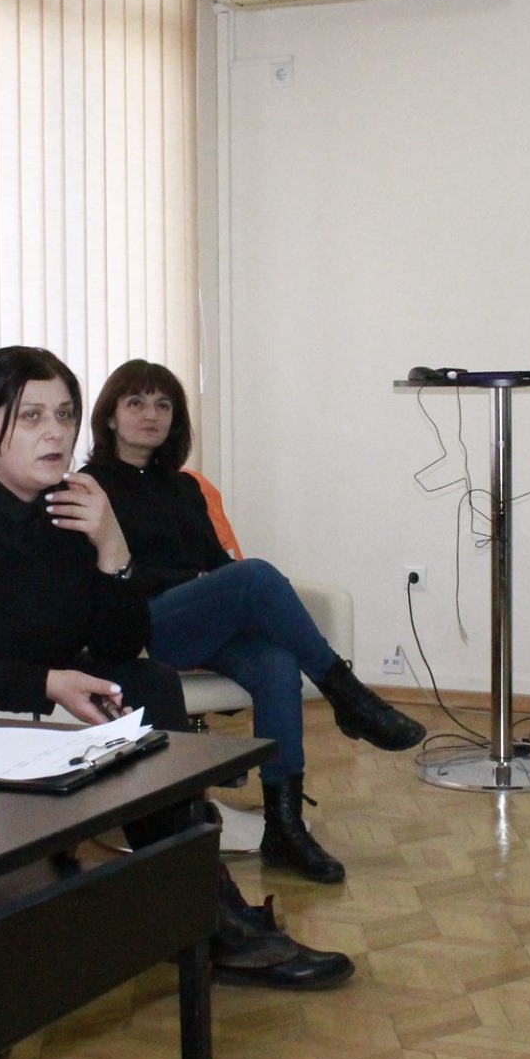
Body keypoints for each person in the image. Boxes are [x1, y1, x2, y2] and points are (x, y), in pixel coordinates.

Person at [0, 345, 352, 988]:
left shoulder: (64, 504)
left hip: (26, 683)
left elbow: (119, 641)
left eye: (64, 414)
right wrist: (46, 683)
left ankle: (205, 910)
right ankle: (209, 918)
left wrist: (113, 550)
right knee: (141, 695)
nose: (55, 432)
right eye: (30, 416)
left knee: (146, 682)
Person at [82, 359, 424, 884]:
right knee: (254, 576)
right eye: (136, 403)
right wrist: (200, 582)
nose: (151, 415)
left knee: (276, 665)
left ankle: (283, 827)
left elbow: (215, 564)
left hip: (197, 623)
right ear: (109, 416)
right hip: (139, 627)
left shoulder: (185, 488)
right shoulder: (91, 488)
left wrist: (210, 582)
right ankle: (349, 696)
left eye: (163, 404)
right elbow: (109, 576)